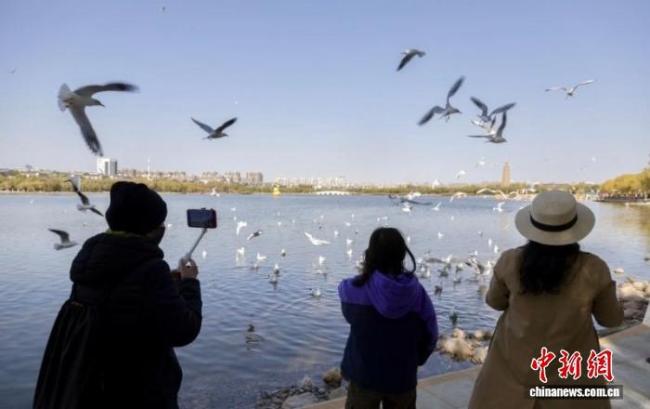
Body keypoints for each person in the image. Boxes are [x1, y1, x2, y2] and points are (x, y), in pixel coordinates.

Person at [34, 182, 202, 409]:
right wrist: (190, 283)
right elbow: (184, 330)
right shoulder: (151, 270)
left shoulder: (89, 263)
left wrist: (168, 284)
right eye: (160, 223)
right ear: (149, 228)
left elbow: (119, 301)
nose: (163, 228)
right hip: (138, 393)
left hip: (90, 389)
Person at [468, 191, 623, 409]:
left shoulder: (510, 261)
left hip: (511, 374)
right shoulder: (593, 268)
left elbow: (494, 302)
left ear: (533, 228)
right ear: (574, 229)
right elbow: (610, 319)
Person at [338, 227, 438, 409]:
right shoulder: (418, 294)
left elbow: (345, 300)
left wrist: (367, 272)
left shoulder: (353, 290)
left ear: (370, 254)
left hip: (364, 375)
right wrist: (417, 359)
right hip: (402, 377)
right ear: (402, 255)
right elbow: (430, 334)